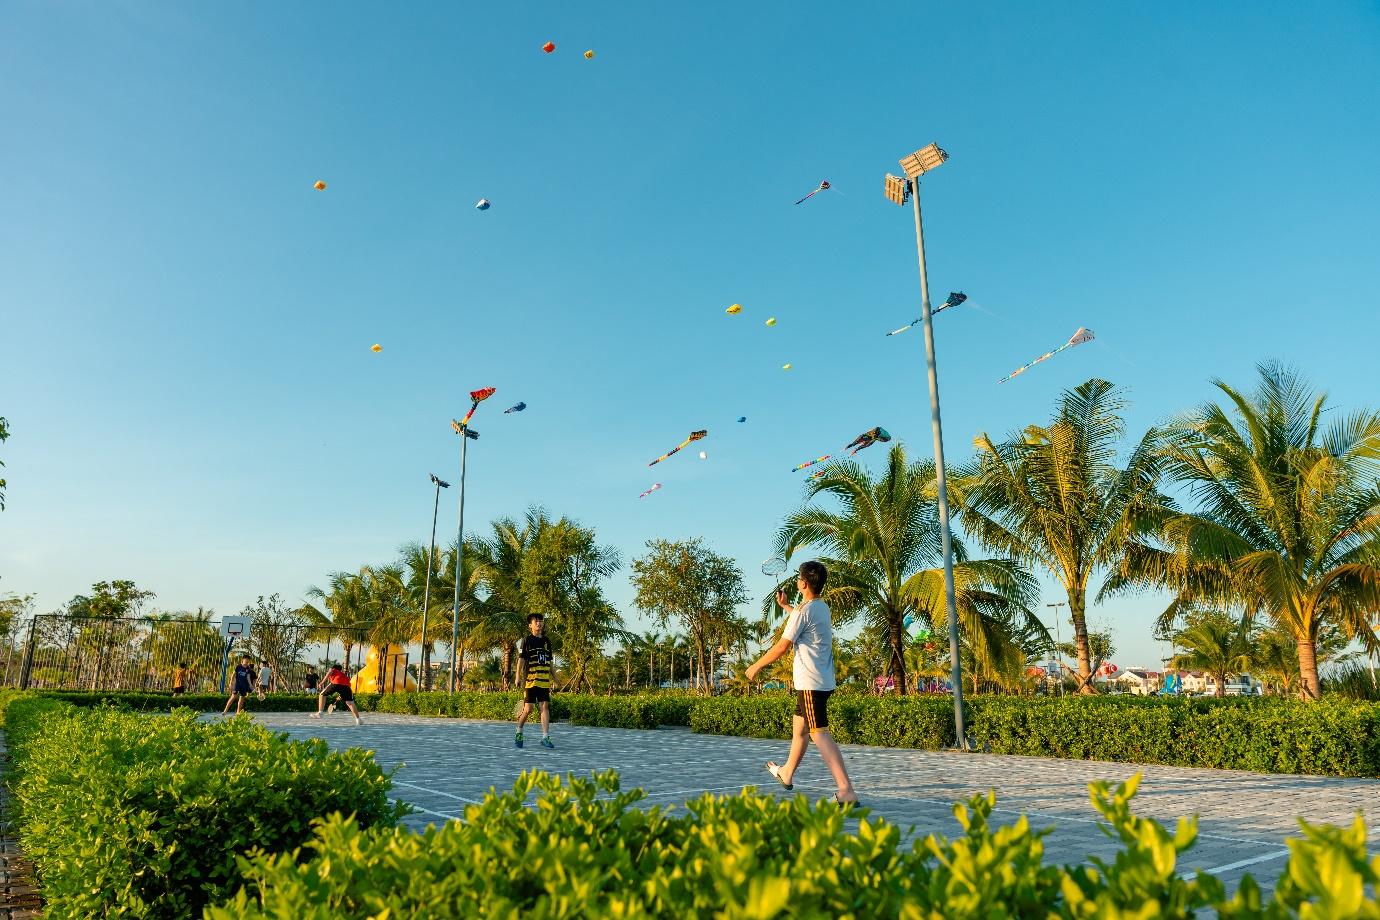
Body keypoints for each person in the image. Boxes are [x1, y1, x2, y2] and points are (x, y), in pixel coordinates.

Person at [746, 560, 859, 804]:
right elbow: (802, 619)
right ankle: (787, 773)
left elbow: (782, 646)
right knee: (800, 729)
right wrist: (787, 606)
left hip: (810, 684)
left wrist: (756, 665)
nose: (797, 580)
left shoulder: (802, 612)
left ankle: (846, 790)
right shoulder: (820, 607)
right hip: (822, 681)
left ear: (803, 583)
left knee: (820, 733)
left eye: (798, 577)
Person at [514, 613, 554, 749]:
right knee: (528, 709)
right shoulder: (526, 640)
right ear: (530, 625)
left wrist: (556, 678)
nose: (539, 623)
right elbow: (521, 660)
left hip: (544, 681)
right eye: (536, 621)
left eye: (540, 621)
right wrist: (517, 676)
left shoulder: (547, 641)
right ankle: (519, 731)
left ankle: (545, 737)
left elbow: (550, 663)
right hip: (530, 680)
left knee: (544, 707)